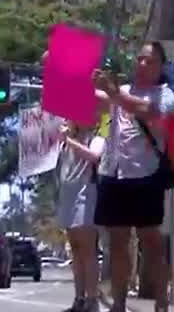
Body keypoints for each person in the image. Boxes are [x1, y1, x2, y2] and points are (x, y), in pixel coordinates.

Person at [94, 42, 174, 312]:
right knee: (118, 244)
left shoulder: (167, 96)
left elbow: (150, 112)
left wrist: (114, 95)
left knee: (152, 243)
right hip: (113, 174)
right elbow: (100, 101)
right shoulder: (120, 91)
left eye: (150, 61)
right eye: (140, 59)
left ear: (161, 66)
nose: (143, 65)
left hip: (146, 175)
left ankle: (161, 303)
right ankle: (118, 304)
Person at [56, 121, 107, 312]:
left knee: (88, 251)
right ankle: (79, 299)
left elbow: (94, 157)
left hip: (86, 197)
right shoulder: (66, 144)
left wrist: (69, 140)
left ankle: (92, 299)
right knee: (76, 251)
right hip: (68, 198)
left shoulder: (97, 140)